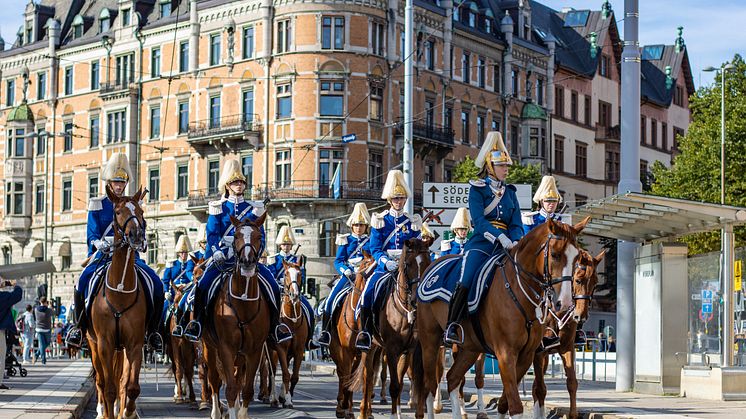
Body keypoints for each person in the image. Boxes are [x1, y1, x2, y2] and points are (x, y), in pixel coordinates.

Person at [65, 153, 165, 352]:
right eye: (116, 182)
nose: (120, 185)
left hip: (130, 256)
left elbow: (140, 229)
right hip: (103, 256)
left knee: (156, 283)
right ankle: (79, 327)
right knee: (82, 282)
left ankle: (153, 331)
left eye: (123, 182)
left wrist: (141, 241)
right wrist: (98, 243)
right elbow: (91, 233)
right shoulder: (98, 204)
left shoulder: (132, 205)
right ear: (109, 182)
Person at [183, 159, 291, 344]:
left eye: (241, 182)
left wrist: (255, 252)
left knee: (272, 284)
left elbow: (261, 237)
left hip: (247, 258)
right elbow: (212, 233)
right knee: (203, 285)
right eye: (235, 182)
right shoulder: (219, 207)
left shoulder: (254, 208)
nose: (239, 185)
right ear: (227, 185)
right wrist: (216, 250)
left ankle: (275, 326)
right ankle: (197, 323)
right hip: (222, 258)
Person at [444, 132, 524, 345]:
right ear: (490, 167)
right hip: (481, 244)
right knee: (467, 277)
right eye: (502, 166)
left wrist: (516, 240)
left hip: (507, 246)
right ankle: (453, 325)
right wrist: (499, 237)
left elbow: (516, 222)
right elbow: (479, 221)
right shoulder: (477, 189)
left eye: (507, 166)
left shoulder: (511, 192)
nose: (506, 169)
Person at [355, 170, 422, 351]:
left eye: (401, 198)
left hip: (407, 266)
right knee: (368, 294)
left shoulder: (412, 221)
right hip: (385, 266)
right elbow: (375, 249)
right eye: (395, 198)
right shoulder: (380, 220)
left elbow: (417, 247)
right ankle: (366, 333)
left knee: (423, 291)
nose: (399, 201)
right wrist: (385, 261)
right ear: (390, 200)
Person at [522, 175, 577, 351]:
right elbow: (525, 246)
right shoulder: (530, 219)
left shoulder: (564, 220)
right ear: (541, 201)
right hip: (534, 268)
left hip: (557, 266)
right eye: (548, 200)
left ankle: (576, 329)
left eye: (554, 201)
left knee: (577, 288)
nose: (551, 204)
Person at [318, 203, 371, 346]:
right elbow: (338, 261)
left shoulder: (370, 241)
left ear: (366, 226)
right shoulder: (346, 240)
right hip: (349, 277)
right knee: (330, 300)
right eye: (356, 225)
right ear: (351, 226)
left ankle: (369, 332)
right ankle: (326, 332)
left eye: (361, 225)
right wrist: (345, 270)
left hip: (366, 275)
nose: (359, 228)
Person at [167, 235, 196, 337]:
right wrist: (166, 291)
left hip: (186, 289)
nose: (184, 254)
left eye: (186, 252)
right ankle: (159, 334)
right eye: (182, 252)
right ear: (178, 253)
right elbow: (165, 280)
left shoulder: (190, 264)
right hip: (173, 292)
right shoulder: (171, 264)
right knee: (164, 310)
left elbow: (191, 275)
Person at [0, 279, 22, 390]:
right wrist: (15, 285)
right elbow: (17, 295)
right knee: (1, 357)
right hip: (0, 331)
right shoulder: (3, 297)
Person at [34, 297, 56, 365]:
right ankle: (43, 360)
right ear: (46, 302)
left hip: (39, 329)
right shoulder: (49, 310)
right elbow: (54, 313)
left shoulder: (36, 309)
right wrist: (50, 306)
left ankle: (37, 355)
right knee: (47, 343)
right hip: (47, 329)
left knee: (41, 345)